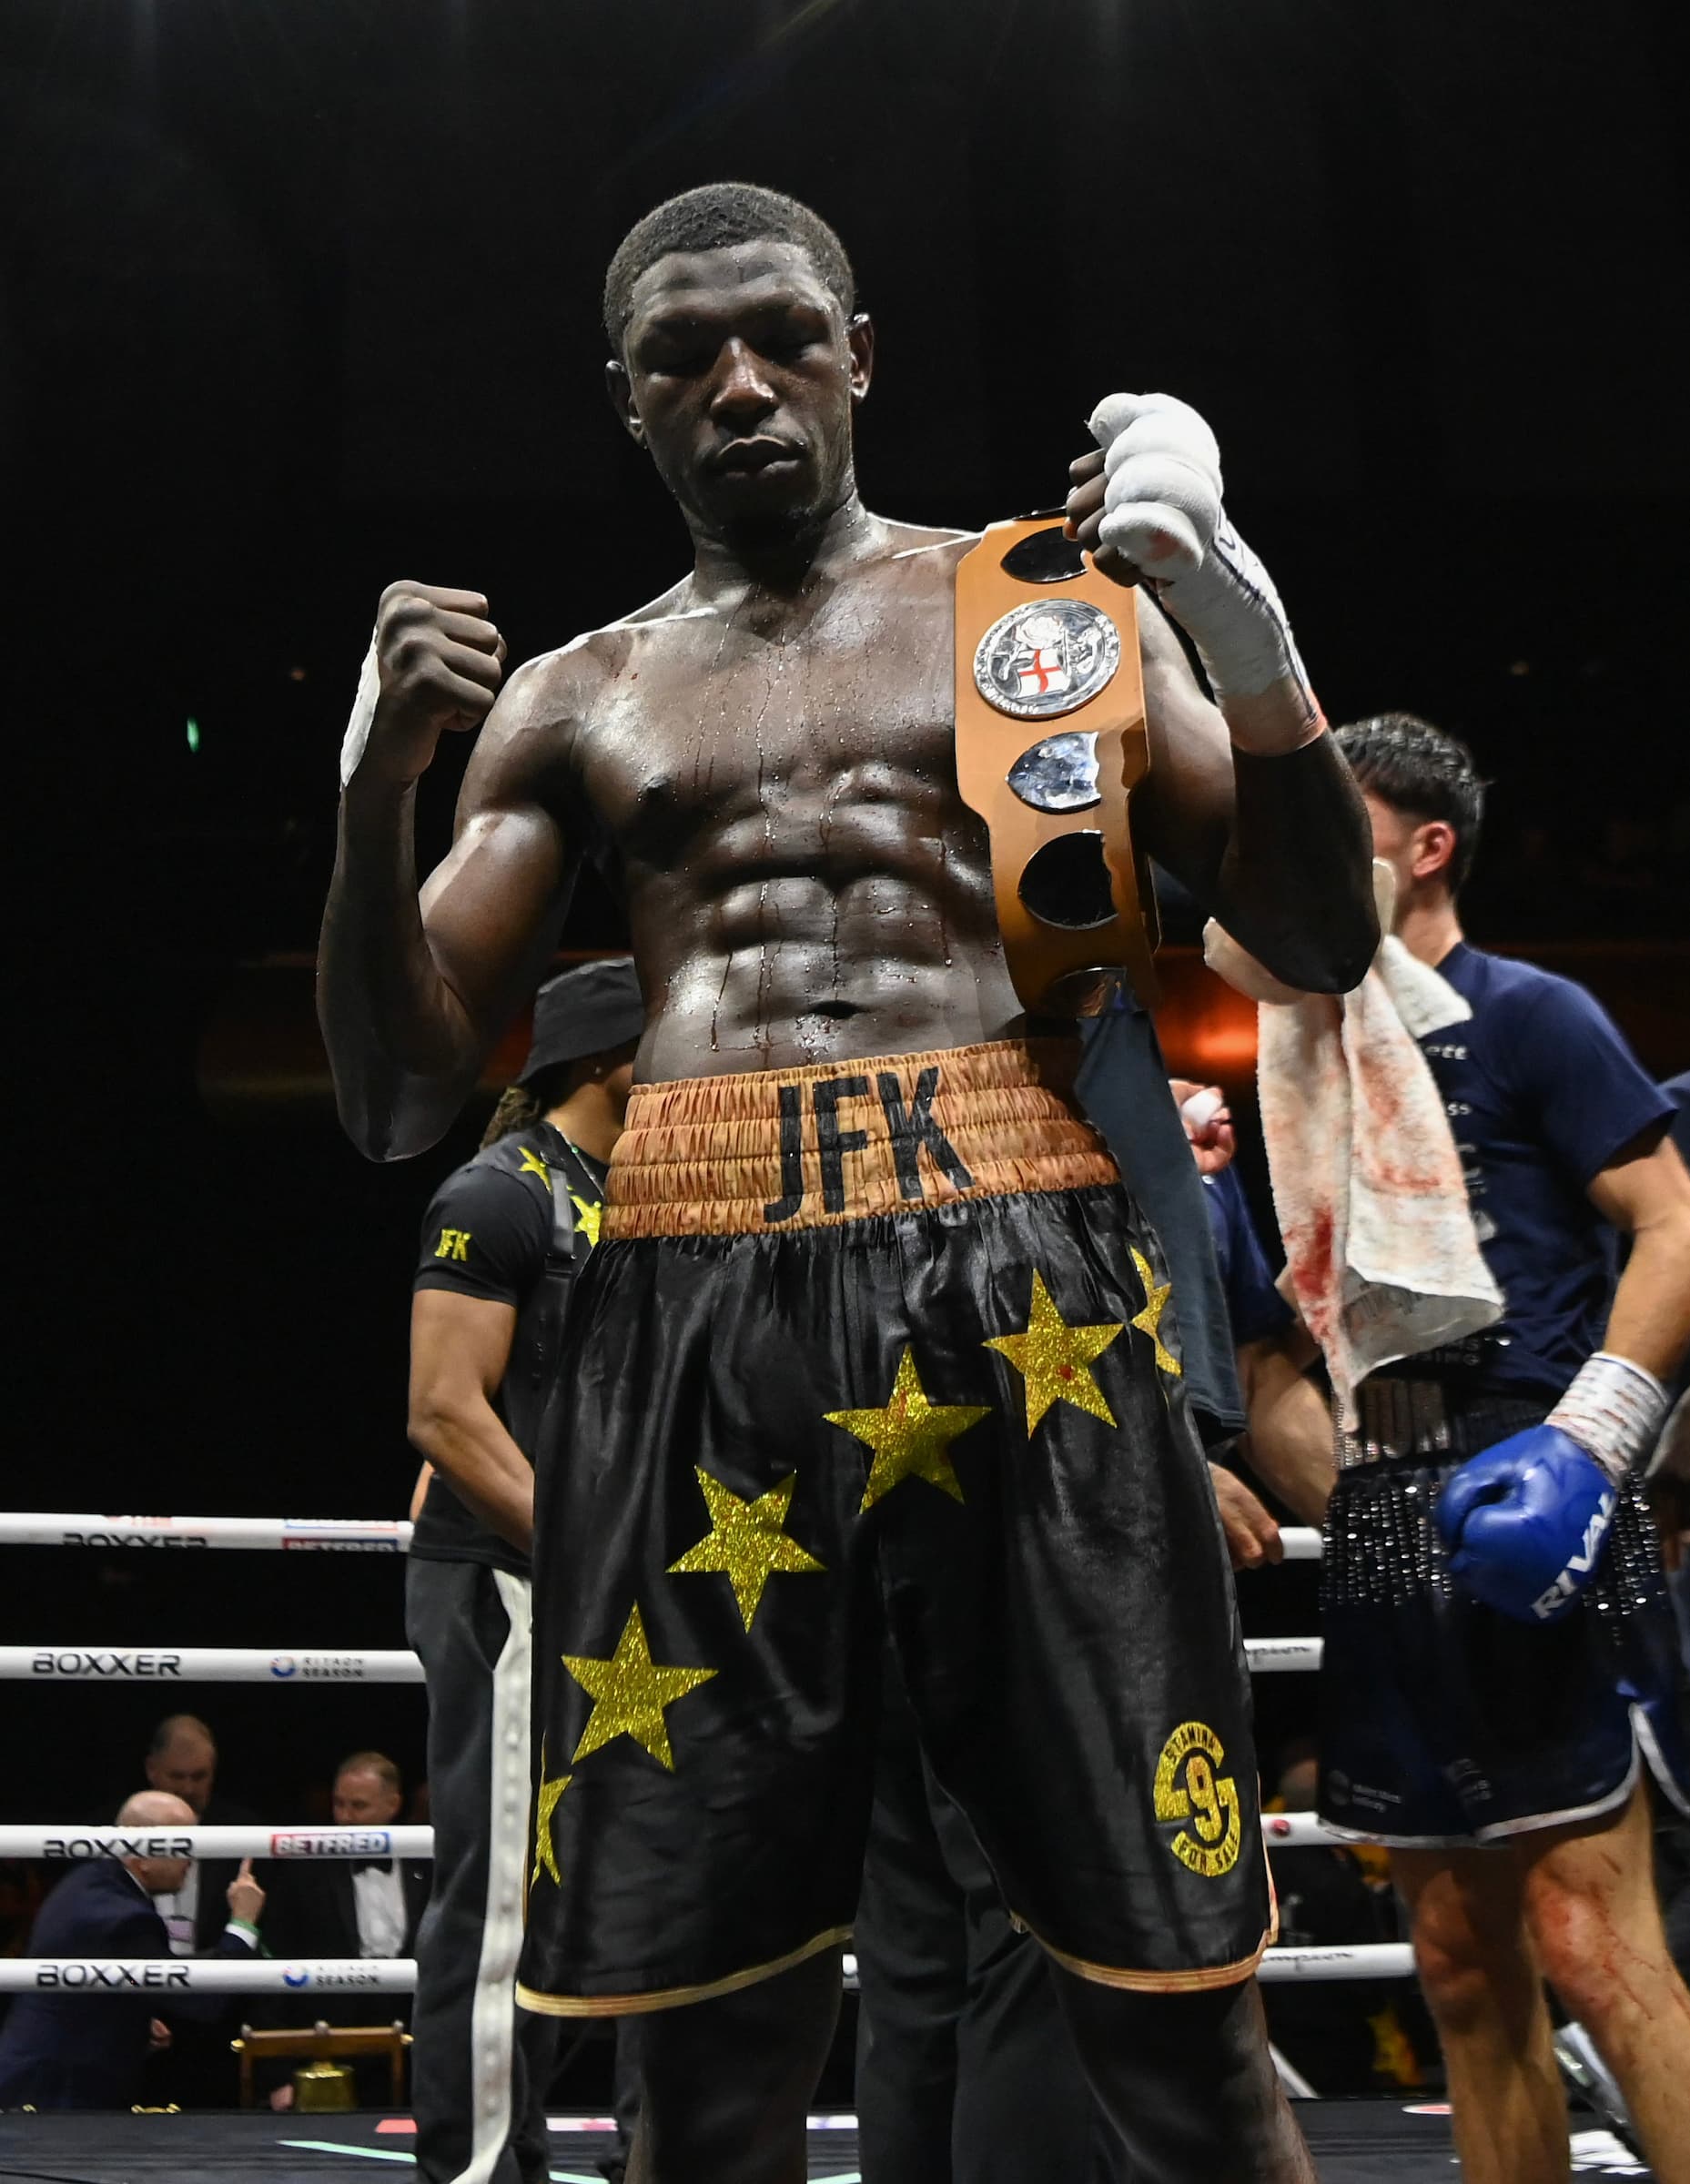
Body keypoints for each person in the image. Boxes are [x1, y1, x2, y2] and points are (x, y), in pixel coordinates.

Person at [319, 181, 1376, 2183]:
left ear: (858, 351)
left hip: (1023, 1276)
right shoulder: (575, 696)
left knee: (1172, 2025)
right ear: (623, 403)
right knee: (702, 2067)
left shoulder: (1035, 609)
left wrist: (1237, 617)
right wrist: (372, 797)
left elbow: (1313, 939)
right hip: (693, 1301)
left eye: (783, 336)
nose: (739, 385)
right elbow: (395, 1094)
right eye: (679, 358)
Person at [1314, 713, 1690, 2183]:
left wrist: (1594, 1443)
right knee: (1460, 1961)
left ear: (1425, 850)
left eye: (1334, 838)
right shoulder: (1313, 1054)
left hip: (1531, 1469)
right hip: (1381, 1497)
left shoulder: (1529, 1015)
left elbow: (1670, 1223)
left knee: (1590, 1945)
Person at [404, 957, 642, 2184]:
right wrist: (588, 1551)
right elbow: (445, 1416)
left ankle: (660, 2149)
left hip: (640, 1597)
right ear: (609, 1058)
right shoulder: (498, 1196)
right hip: (517, 1587)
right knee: (505, 1900)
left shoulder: (657, 1198)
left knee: (651, 1883)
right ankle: (485, 2167)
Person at [0, 1794, 265, 2109]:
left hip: (46, 2079)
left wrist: (132, 2016)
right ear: (141, 1856)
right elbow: (204, 2000)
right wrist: (242, 1924)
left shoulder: (92, 1881)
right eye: (182, 1848)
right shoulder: (122, 1916)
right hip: (55, 2091)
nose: (192, 1860)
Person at [258, 1752, 430, 2112]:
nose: (345, 1817)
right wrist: (278, 2076)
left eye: (359, 1806)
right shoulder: (305, 1873)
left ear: (392, 1804)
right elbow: (272, 1971)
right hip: (327, 2050)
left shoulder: (428, 1864)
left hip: (420, 2052)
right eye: (339, 1804)